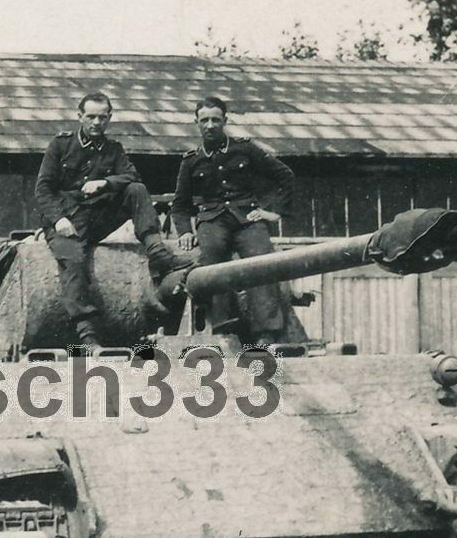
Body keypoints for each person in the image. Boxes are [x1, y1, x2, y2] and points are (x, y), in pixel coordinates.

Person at [34, 91, 179, 351]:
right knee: (73, 263)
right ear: (79, 116)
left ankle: (156, 250)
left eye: (102, 117)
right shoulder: (60, 145)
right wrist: (58, 220)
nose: (96, 122)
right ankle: (87, 334)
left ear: (109, 118)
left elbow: (133, 176)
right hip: (67, 222)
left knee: (136, 190)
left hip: (98, 218)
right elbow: (43, 189)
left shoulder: (113, 149)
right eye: (91, 117)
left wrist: (106, 182)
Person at [170, 95, 295, 345]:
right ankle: (222, 328)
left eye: (216, 120)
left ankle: (266, 333)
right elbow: (180, 205)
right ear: (196, 123)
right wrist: (184, 231)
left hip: (247, 218)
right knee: (212, 261)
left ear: (225, 121)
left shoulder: (245, 149)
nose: (210, 125)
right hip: (212, 219)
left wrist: (274, 212)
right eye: (204, 120)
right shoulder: (191, 160)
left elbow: (285, 175)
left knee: (262, 260)